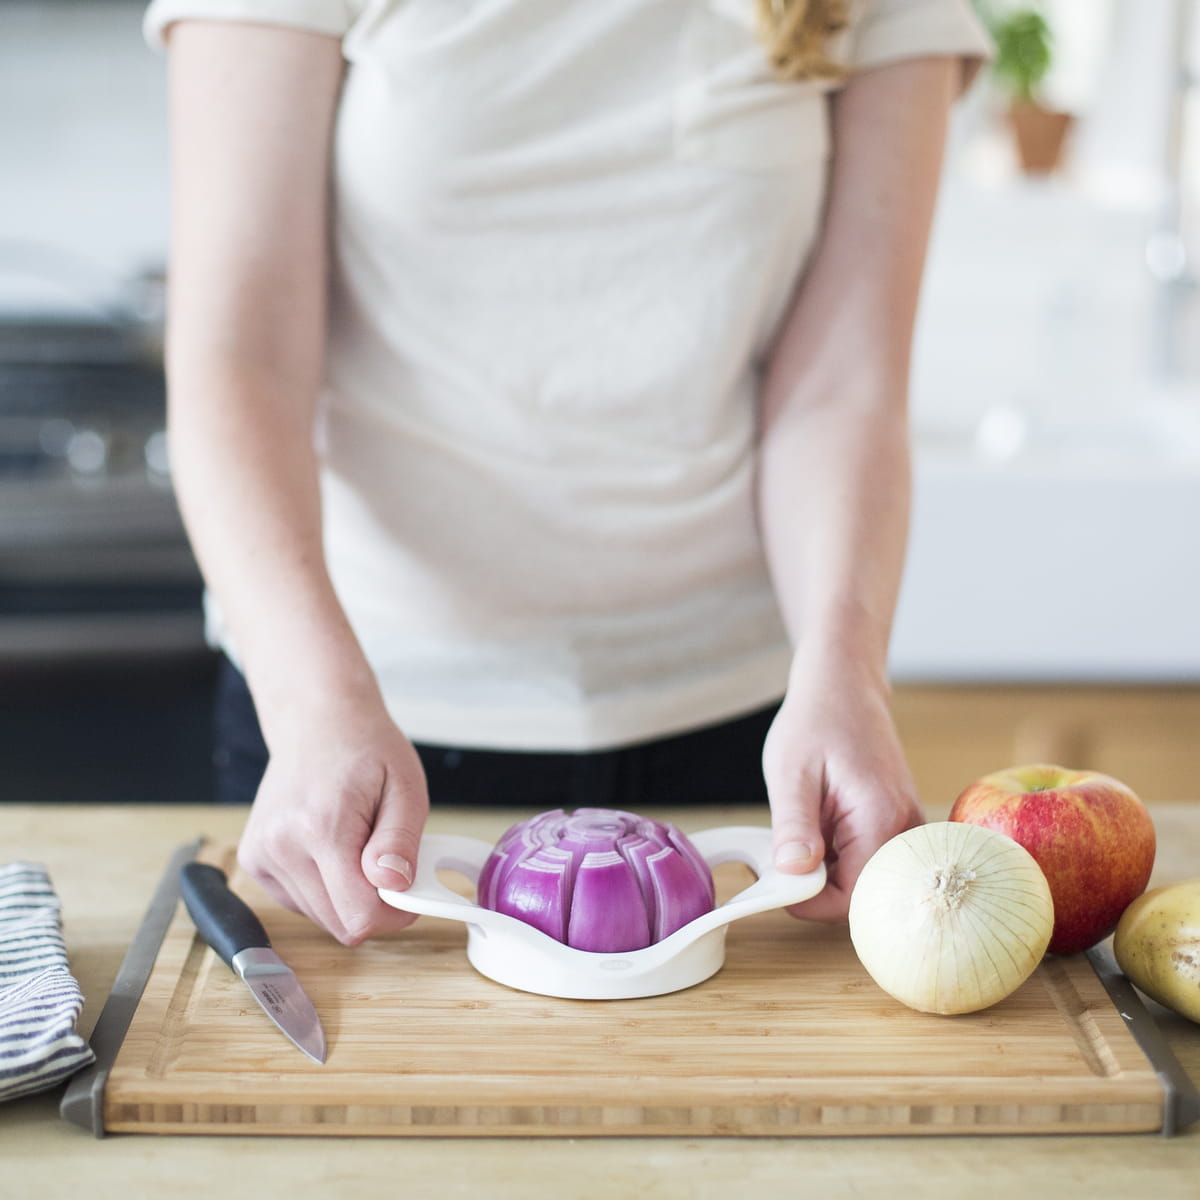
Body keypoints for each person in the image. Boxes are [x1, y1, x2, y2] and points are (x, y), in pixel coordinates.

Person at [143, 0, 991, 946]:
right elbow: (243, 357)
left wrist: (848, 670)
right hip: (350, 727)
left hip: (748, 728)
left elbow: (842, 388)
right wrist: (313, 704)